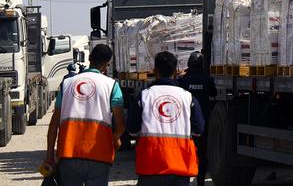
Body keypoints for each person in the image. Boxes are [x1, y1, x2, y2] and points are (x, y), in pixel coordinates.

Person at [43, 44, 125, 186]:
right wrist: (116, 138)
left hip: (69, 153)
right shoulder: (112, 86)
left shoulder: (67, 84)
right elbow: (120, 125)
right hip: (99, 155)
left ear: (89, 58)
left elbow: (54, 124)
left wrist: (49, 155)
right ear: (107, 65)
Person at [128, 51, 204, 186]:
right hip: (181, 166)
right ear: (176, 72)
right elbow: (198, 129)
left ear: (154, 71)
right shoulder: (188, 98)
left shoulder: (144, 96)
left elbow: (132, 129)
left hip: (150, 166)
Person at [177, 51, 217, 186]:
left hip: (185, 124)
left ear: (189, 64)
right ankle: (200, 182)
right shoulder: (208, 79)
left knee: (185, 152)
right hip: (202, 123)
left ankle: (185, 180)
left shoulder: (182, 80)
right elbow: (214, 93)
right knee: (202, 153)